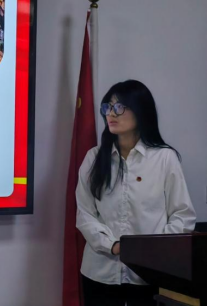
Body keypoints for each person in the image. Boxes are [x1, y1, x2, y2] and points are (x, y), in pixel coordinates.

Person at [76, 80, 196, 306]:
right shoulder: (93, 158)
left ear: (141, 111)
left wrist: (151, 251)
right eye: (108, 107)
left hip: (149, 275)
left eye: (119, 107)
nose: (111, 113)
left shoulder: (164, 158)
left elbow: (182, 215)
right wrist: (112, 246)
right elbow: (85, 214)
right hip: (99, 273)